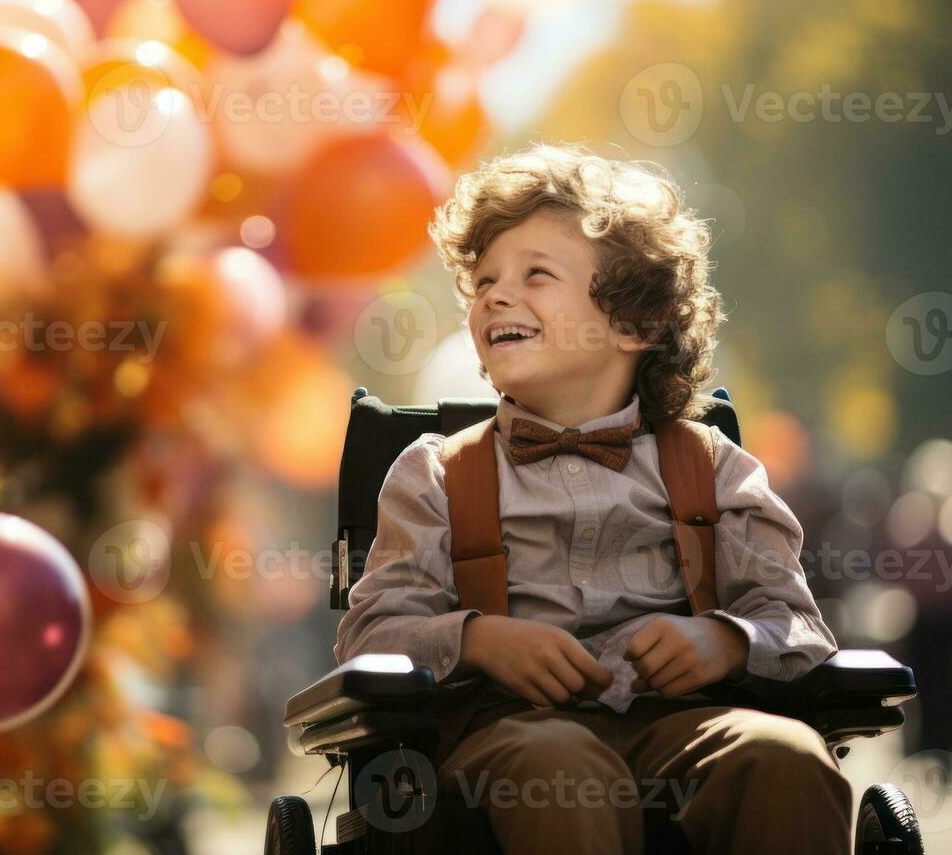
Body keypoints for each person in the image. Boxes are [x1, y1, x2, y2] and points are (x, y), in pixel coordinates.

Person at [334, 145, 850, 854]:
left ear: (634, 324)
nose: (493, 295)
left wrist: (725, 639)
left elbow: (795, 626)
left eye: (534, 275)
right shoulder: (435, 475)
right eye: (483, 281)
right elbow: (371, 635)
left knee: (783, 757)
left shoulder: (714, 470)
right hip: (502, 739)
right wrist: (478, 639)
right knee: (562, 770)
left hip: (681, 725)